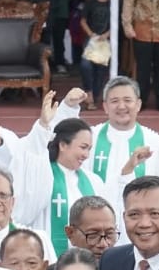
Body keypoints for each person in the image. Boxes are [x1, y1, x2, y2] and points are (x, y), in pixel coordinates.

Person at [12, 103, 108, 257]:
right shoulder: (43, 174)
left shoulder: (93, 181)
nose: (86, 155)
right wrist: (43, 125)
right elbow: (30, 154)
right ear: (63, 145)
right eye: (83, 147)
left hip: (85, 262)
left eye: (89, 149)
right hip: (47, 259)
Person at [54, 79, 159, 186]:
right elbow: (56, 140)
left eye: (127, 100)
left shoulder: (157, 143)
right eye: (115, 101)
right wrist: (68, 107)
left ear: (138, 105)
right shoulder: (89, 138)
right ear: (105, 106)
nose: (121, 106)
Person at [80, 0, 114, 109]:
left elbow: (117, 23)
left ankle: (93, 98)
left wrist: (107, 34)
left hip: (106, 41)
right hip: (91, 40)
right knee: (85, 65)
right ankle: (88, 92)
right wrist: (91, 34)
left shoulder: (113, 3)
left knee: (100, 69)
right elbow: (83, 21)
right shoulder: (90, 2)